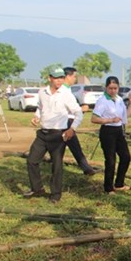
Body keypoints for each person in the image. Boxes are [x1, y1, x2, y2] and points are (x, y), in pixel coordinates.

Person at [24, 67, 83, 203]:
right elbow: (41, 107)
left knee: (56, 166)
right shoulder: (42, 92)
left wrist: (72, 129)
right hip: (43, 134)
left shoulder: (66, 94)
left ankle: (55, 194)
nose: (59, 81)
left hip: (58, 135)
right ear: (50, 78)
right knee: (32, 160)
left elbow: (78, 113)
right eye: (56, 78)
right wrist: (36, 117)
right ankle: (37, 188)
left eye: (61, 78)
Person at [91, 76, 131, 194]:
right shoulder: (102, 101)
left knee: (125, 157)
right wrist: (109, 120)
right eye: (110, 88)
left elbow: (125, 117)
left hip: (119, 130)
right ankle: (108, 187)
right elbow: (94, 118)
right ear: (106, 88)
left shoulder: (119, 100)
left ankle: (119, 183)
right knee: (110, 160)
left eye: (115, 88)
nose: (113, 91)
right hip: (107, 131)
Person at [60, 66, 97, 176]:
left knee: (72, 145)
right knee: (70, 145)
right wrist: (81, 109)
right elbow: (64, 109)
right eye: (74, 76)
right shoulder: (63, 91)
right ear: (67, 76)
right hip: (65, 121)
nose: (75, 79)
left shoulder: (67, 89)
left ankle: (86, 168)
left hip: (68, 120)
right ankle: (86, 168)